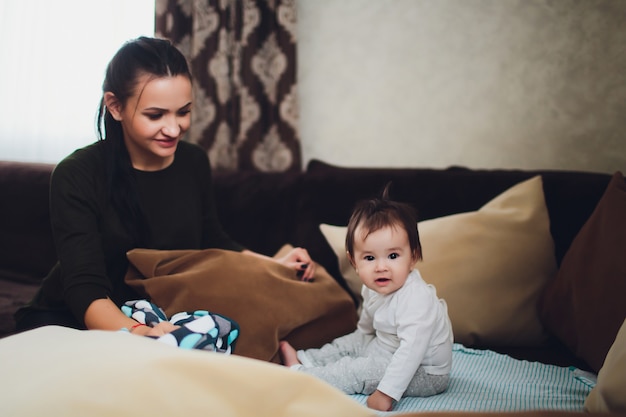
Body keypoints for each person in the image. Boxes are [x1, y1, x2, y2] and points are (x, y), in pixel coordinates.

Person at [14, 36, 315, 339]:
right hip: (74, 319)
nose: (173, 129)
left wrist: (275, 264)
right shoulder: (76, 174)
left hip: (155, 316)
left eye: (183, 112)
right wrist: (141, 334)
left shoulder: (193, 161)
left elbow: (212, 240)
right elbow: (84, 289)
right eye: (155, 115)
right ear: (115, 107)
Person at [279, 184, 453, 411]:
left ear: (413, 257)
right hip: (386, 346)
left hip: (423, 370)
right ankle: (307, 358)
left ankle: (305, 376)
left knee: (358, 371)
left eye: (392, 255)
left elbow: (411, 352)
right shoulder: (373, 287)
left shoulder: (416, 299)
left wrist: (386, 393)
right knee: (353, 342)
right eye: (369, 258)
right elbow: (367, 326)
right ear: (354, 262)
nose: (381, 267)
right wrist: (358, 342)